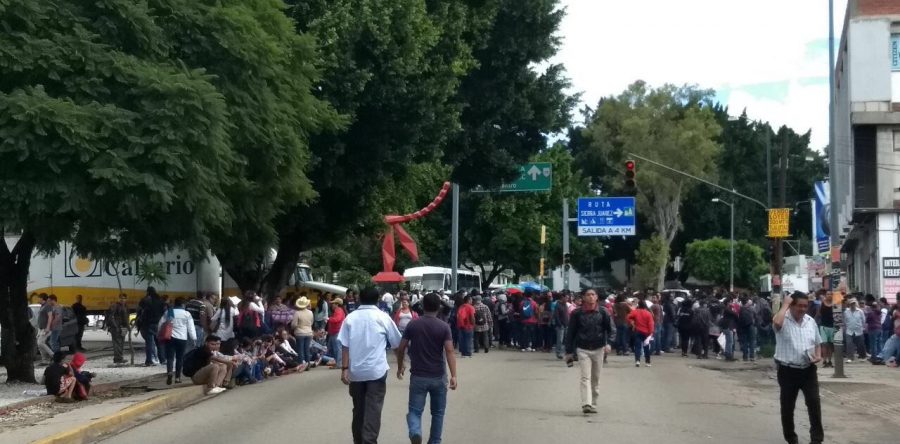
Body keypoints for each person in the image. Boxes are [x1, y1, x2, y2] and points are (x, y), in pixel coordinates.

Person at [338, 287, 402, 444]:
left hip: (356, 372)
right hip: (376, 372)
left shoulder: (350, 318)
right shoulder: (383, 317)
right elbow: (397, 344)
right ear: (378, 299)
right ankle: (369, 441)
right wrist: (401, 365)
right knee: (373, 410)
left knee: (358, 410)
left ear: (359, 298)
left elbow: (344, 346)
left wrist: (344, 369)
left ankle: (358, 441)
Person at [396, 293, 458, 444]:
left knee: (414, 411)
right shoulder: (444, 327)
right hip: (438, 375)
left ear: (422, 307)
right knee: (438, 413)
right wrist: (454, 375)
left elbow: (401, 347)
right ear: (439, 307)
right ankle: (435, 441)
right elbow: (449, 351)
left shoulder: (413, 324)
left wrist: (400, 366)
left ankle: (415, 431)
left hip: (418, 375)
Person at [773, 291, 823, 444]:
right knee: (787, 407)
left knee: (814, 403)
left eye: (805, 306)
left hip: (808, 370)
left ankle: (816, 439)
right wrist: (785, 304)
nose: (802, 309)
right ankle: (791, 438)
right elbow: (777, 323)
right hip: (788, 371)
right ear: (792, 306)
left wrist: (818, 355)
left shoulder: (810, 321)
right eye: (799, 306)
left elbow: (817, 342)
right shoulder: (783, 319)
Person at [565, 288, 615, 414]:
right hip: (582, 349)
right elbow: (570, 333)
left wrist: (609, 343)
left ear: (597, 297)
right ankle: (586, 403)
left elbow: (612, 330)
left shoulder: (603, 312)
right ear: (583, 298)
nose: (591, 297)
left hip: (599, 349)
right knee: (585, 377)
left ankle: (593, 403)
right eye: (588, 295)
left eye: (593, 294)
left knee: (595, 379)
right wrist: (569, 351)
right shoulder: (577, 314)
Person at [160, 297, 197, 385]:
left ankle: (169, 373)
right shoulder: (187, 314)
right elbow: (191, 328)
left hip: (170, 338)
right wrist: (194, 338)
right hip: (182, 339)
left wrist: (160, 334)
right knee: (180, 358)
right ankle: (177, 378)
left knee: (170, 358)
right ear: (183, 304)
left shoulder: (169, 312)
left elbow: (161, 324)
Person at [138, 287, 167, 366]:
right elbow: (164, 312)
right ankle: (162, 359)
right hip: (158, 324)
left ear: (148, 292)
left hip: (148, 324)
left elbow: (140, 311)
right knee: (160, 343)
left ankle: (149, 361)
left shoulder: (145, 300)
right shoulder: (161, 301)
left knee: (149, 343)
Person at [627, 297, 655, 367]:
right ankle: (647, 362)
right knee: (646, 347)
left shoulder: (635, 312)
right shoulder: (648, 313)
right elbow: (651, 324)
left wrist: (632, 323)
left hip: (637, 331)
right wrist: (651, 333)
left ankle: (637, 361)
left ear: (638, 305)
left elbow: (628, 317)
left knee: (637, 347)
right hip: (646, 332)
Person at [105, 294, 129, 364]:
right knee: (117, 343)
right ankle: (117, 358)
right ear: (119, 298)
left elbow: (126, 317)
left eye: (124, 298)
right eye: (121, 298)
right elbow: (111, 317)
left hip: (123, 327)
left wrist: (127, 327)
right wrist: (115, 327)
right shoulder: (115, 306)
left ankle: (120, 357)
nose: (122, 299)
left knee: (121, 343)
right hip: (116, 328)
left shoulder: (126, 306)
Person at [814, 291, 835, 368]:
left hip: (832, 326)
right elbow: (818, 314)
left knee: (830, 344)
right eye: (827, 294)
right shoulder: (821, 304)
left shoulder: (835, 304)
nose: (829, 295)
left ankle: (830, 360)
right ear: (825, 295)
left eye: (830, 294)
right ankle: (824, 360)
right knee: (824, 344)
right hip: (823, 326)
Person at [292, 296, 315, 365]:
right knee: (306, 349)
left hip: (299, 333)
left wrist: (294, 328)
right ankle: (308, 364)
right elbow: (312, 322)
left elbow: (294, 324)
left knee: (300, 349)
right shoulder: (310, 312)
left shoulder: (297, 313)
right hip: (309, 332)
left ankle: (301, 364)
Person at [327, 297, 347, 369]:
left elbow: (337, 319)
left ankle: (339, 364)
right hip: (335, 331)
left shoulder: (338, 311)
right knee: (334, 348)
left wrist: (329, 319)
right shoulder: (338, 310)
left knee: (337, 348)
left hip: (336, 331)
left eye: (333, 304)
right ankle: (338, 363)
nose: (332, 305)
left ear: (337, 304)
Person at [36, 294, 53, 363]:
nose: (37, 299)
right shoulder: (42, 306)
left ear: (42, 298)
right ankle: (44, 360)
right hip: (40, 329)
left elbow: (50, 317)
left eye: (38, 298)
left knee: (40, 343)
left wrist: (48, 327)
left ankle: (53, 355)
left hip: (45, 328)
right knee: (39, 344)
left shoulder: (47, 306)